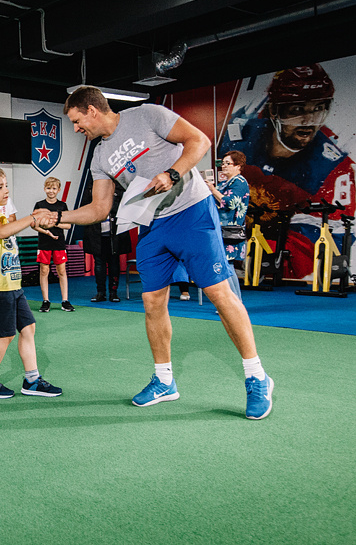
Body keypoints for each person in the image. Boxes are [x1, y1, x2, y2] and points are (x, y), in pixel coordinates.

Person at [61, 86, 273, 419]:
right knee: (152, 301)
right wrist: (60, 217)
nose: (76, 129)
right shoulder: (100, 157)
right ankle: (164, 381)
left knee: (219, 293)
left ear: (91, 109)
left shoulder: (147, 114)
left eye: (76, 121)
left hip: (191, 211)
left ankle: (256, 376)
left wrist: (172, 173)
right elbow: (100, 208)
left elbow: (199, 141)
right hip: (152, 224)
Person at [217, 64, 355, 279]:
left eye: (318, 108)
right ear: (274, 110)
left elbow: (325, 240)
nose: (309, 121)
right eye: (297, 110)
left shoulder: (335, 168)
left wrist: (260, 256)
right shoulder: (235, 134)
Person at [0, 166, 63, 399]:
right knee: (6, 335)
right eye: (0, 187)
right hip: (1, 287)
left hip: (12, 285)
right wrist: (31, 218)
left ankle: (32, 380)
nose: (6, 190)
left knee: (28, 329)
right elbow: (1, 233)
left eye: (6, 185)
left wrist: (34, 224)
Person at [208, 150, 250, 303]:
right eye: (222, 163)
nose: (223, 166)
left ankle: (234, 302)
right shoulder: (224, 183)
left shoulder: (240, 182)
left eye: (228, 163)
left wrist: (213, 190)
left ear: (238, 166)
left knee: (227, 265)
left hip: (231, 231)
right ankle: (233, 302)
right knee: (225, 265)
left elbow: (230, 203)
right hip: (220, 230)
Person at [82, 182, 130, 303]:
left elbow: (125, 208)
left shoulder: (119, 188)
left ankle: (114, 293)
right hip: (96, 234)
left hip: (115, 234)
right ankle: (100, 292)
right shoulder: (90, 189)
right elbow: (84, 208)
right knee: (99, 264)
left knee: (114, 263)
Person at [32, 177, 74, 312]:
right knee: (44, 271)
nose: (51, 191)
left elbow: (67, 225)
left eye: (54, 188)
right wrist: (47, 232)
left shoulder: (62, 206)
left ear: (59, 190)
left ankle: (65, 300)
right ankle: (45, 301)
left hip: (59, 243)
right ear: (44, 189)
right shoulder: (39, 205)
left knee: (62, 271)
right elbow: (34, 225)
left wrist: (54, 224)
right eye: (48, 188)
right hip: (44, 243)